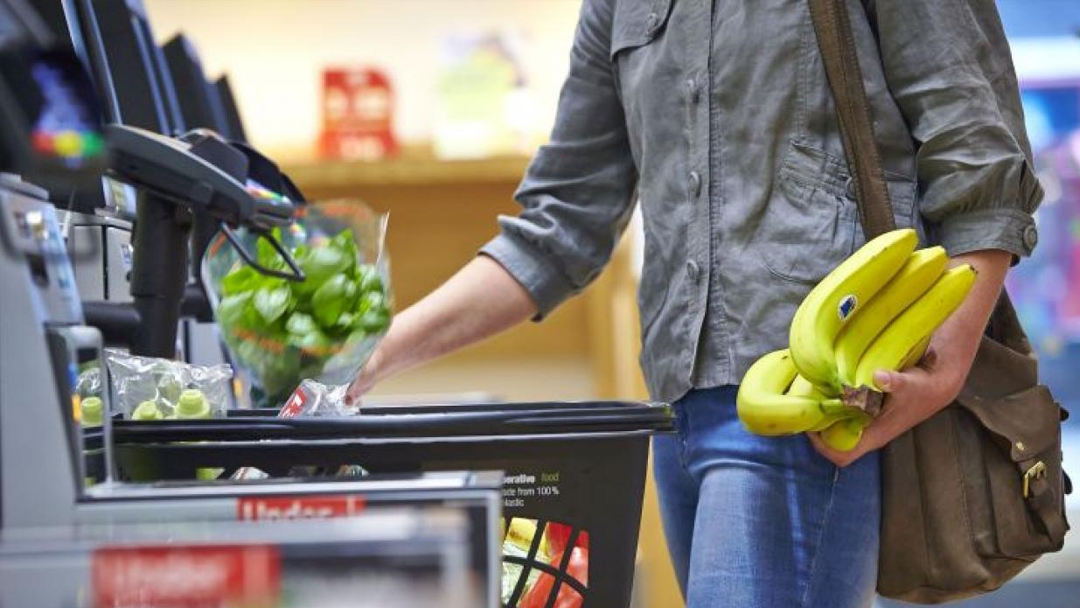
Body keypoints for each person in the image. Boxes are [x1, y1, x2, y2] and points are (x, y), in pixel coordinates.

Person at [347, 1, 1042, 606]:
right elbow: (560, 225)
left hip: (808, 401)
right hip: (676, 417)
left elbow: (978, 149)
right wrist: (370, 355)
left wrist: (946, 359)